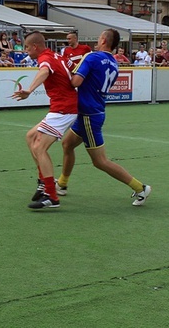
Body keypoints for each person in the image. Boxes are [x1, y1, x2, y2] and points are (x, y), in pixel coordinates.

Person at [57, 29, 151, 206]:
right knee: (67, 144)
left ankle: (140, 188)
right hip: (93, 111)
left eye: (99, 36)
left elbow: (75, 82)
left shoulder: (92, 57)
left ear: (103, 40)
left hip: (88, 115)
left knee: (100, 161)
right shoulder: (114, 63)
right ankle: (62, 184)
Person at [11, 31, 77, 209]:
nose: (25, 51)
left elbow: (45, 71)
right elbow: (75, 72)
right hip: (64, 106)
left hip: (64, 109)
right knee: (30, 137)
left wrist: (30, 90)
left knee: (39, 147)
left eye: (26, 47)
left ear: (35, 46)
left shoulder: (44, 58)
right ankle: (44, 182)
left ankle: (51, 195)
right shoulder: (58, 55)